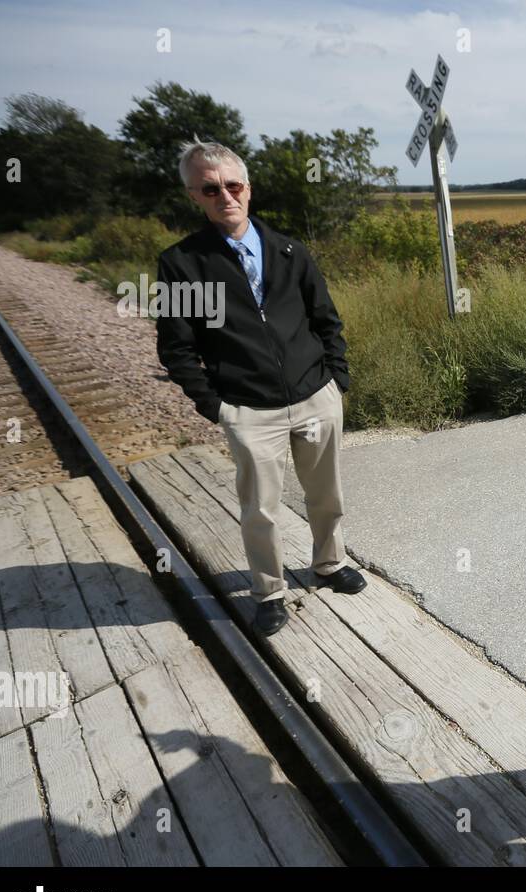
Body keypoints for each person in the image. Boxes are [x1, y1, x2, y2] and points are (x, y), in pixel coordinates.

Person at [155, 137, 366, 637]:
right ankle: (269, 591)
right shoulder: (182, 264)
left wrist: (336, 379)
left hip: (316, 396)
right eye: (210, 189)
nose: (223, 196)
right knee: (261, 511)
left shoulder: (290, 250)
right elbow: (177, 349)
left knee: (326, 495)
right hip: (249, 409)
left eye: (232, 185)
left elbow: (326, 320)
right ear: (194, 196)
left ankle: (329, 564)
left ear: (248, 189)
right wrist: (218, 407)